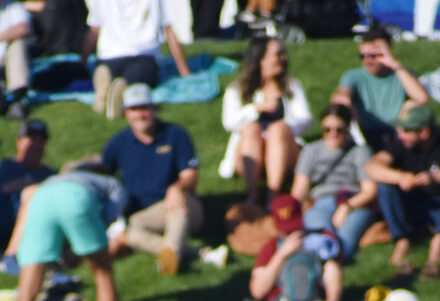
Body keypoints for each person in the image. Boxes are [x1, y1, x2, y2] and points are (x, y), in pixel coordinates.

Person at [0, 170, 125, 301]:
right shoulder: (113, 184)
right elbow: (107, 218)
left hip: (40, 201)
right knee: (103, 275)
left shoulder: (56, 180)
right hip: (75, 199)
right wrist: (85, 247)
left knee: (26, 292)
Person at [213, 195, 353, 301]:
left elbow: (332, 272)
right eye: (288, 230)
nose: (293, 233)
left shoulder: (320, 239)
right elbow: (257, 291)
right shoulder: (271, 248)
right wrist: (281, 255)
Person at [363, 103, 440, 282]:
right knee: (385, 184)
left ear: (423, 133)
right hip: (413, 208)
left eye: (406, 131)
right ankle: (401, 239)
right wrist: (399, 177)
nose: (400, 135)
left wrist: (436, 178)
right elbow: (372, 167)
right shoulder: (400, 145)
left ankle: (439, 241)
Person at [100, 84, 201, 275]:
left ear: (154, 108)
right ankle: (180, 253)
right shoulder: (118, 143)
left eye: (144, 107)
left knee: (179, 203)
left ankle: (173, 256)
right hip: (141, 215)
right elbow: (102, 175)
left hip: (178, 208)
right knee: (130, 230)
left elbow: (191, 176)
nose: (140, 114)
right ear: (126, 113)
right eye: (134, 109)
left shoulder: (175, 134)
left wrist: (176, 188)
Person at [220, 36, 310, 212]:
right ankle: (252, 195)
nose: (282, 59)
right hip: (249, 151)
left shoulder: (292, 87)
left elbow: (306, 120)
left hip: (284, 150)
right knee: (251, 128)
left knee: (278, 129)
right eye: (277, 54)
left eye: (283, 54)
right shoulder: (237, 90)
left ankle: (272, 195)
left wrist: (283, 128)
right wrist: (256, 109)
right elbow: (229, 123)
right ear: (260, 59)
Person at [292, 104, 377, 265]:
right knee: (322, 236)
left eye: (339, 130)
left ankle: (331, 270)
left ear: (348, 129)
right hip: (321, 201)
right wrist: (305, 206)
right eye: (327, 129)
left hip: (354, 201)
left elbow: (370, 190)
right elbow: (299, 191)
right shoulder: (311, 150)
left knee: (346, 241)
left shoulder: (361, 151)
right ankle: (319, 271)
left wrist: (347, 206)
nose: (333, 134)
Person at [331, 25, 430, 151]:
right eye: (363, 56)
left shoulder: (402, 74)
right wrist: (344, 99)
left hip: (397, 133)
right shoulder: (354, 75)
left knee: (412, 105)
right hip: (365, 132)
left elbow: (421, 98)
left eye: (373, 56)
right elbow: (341, 95)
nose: (367, 61)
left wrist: (394, 64)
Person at [85, 0, 189, 118]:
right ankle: (124, 91)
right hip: (143, 55)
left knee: (110, 71)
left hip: (109, 56)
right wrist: (185, 72)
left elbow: (94, 29)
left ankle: (104, 88)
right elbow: (168, 30)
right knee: (138, 79)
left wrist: (82, 62)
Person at [0, 118, 53, 256]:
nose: (35, 145)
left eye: (40, 141)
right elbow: (7, 187)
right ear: (18, 142)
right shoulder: (7, 166)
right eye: (31, 140)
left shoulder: (49, 173)